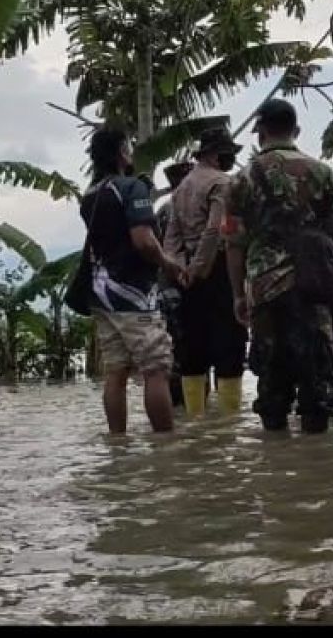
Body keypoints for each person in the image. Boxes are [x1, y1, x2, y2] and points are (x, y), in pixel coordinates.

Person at [223, 98, 333, 434]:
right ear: (295, 130)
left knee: (272, 384)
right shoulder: (323, 173)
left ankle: (277, 466)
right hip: (315, 287)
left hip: (265, 290)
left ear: (261, 131)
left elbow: (234, 245)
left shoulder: (241, 180)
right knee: (318, 383)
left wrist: (238, 295)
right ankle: (316, 467)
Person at [79, 126, 186, 434]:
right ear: (122, 153)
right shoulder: (130, 189)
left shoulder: (90, 195)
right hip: (133, 294)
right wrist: (168, 263)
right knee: (156, 368)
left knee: (116, 371)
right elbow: (144, 241)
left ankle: (118, 444)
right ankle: (165, 445)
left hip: (101, 294)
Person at [164, 127, 249, 417]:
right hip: (218, 271)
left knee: (193, 350)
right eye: (228, 154)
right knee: (229, 348)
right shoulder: (223, 182)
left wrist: (180, 270)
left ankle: (196, 423)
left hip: (186, 276)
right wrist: (200, 268)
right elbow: (215, 230)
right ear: (216, 154)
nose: (231, 160)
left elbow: (171, 237)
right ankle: (227, 426)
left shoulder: (183, 186)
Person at [157, 161, 194, 411]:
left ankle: (180, 410)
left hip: (168, 288)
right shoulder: (177, 209)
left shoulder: (164, 209)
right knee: (190, 352)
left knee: (177, 352)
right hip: (181, 288)